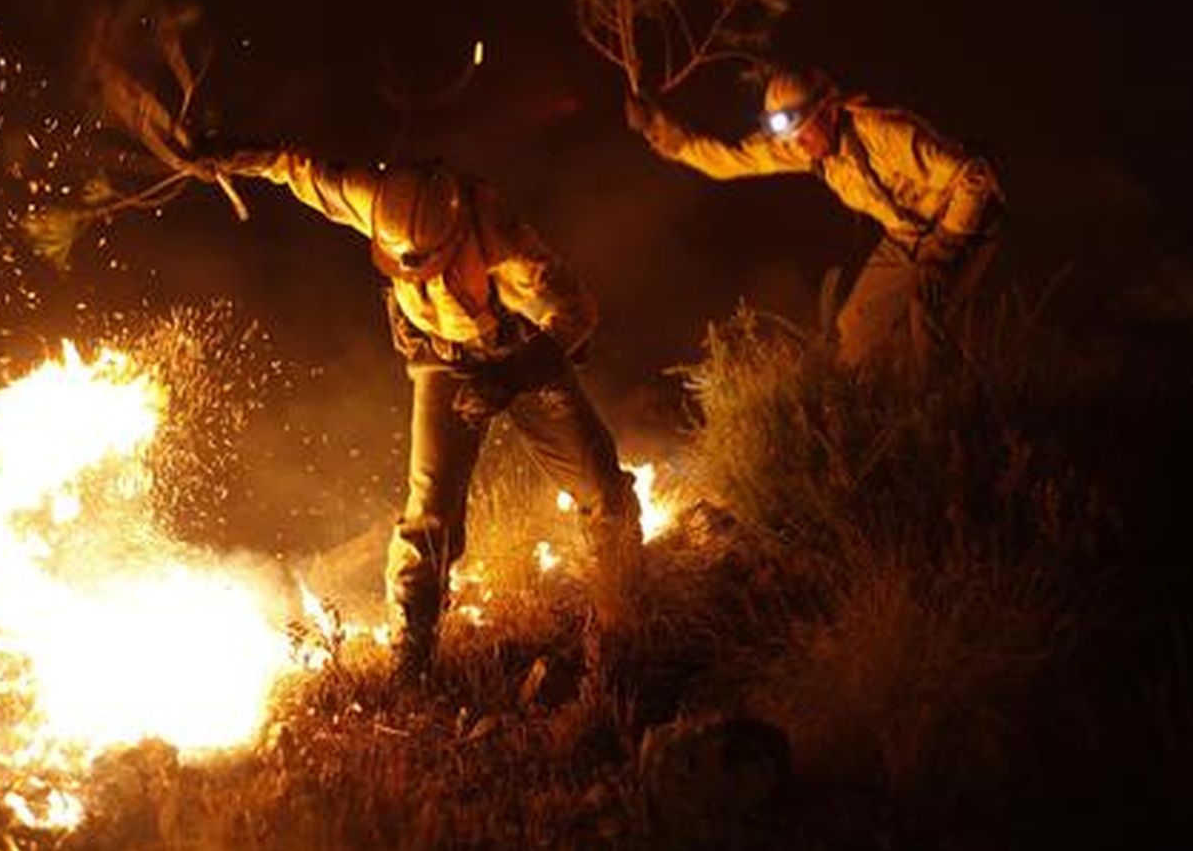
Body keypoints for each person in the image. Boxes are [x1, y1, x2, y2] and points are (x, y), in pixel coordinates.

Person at [193, 147, 643, 682]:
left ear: (455, 238)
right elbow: (299, 167)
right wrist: (228, 155)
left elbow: (579, 311)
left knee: (604, 491)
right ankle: (412, 656)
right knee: (428, 516)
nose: (414, 271)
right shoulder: (375, 199)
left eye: (430, 262)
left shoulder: (501, 234)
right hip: (443, 361)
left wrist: (511, 376)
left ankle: (626, 618)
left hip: (520, 353)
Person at [626, 68, 1005, 377]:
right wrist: (658, 130)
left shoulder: (884, 133)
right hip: (907, 235)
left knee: (927, 312)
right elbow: (730, 161)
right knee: (854, 329)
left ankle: (945, 422)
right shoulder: (807, 146)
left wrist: (948, 248)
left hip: (963, 224)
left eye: (803, 131)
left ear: (831, 111)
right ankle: (853, 412)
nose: (797, 146)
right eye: (789, 137)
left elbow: (974, 176)